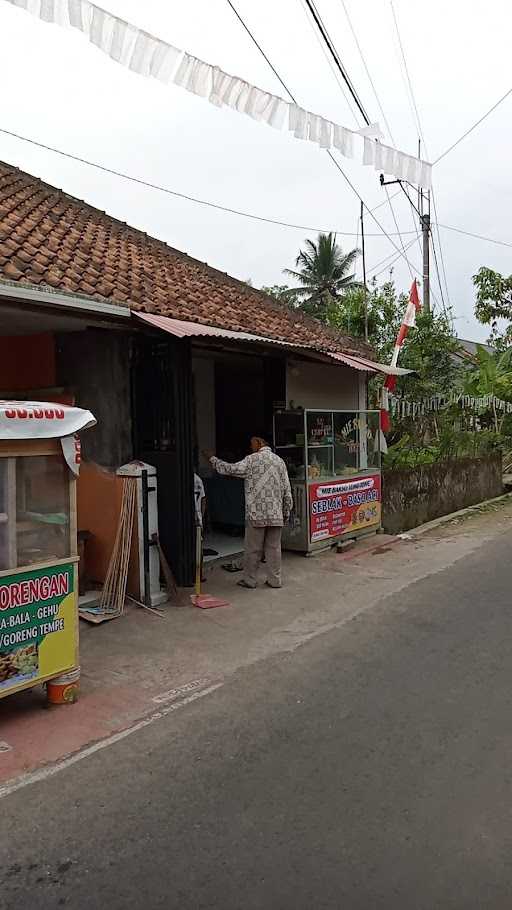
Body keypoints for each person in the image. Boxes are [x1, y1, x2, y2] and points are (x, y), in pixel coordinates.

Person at [205, 436, 293, 589]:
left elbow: (229, 469)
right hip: (275, 514)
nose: (250, 447)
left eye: (252, 444)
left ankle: (250, 580)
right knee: (274, 549)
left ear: (260, 443)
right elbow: (287, 489)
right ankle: (275, 580)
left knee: (253, 549)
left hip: (256, 514)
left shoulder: (251, 460)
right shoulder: (279, 461)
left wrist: (212, 458)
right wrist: (286, 511)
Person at [194, 470, 206, 583]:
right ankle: (199, 575)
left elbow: (203, 499)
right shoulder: (198, 479)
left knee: (198, 547)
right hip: (198, 516)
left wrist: (200, 516)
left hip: (196, 517)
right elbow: (203, 499)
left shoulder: (196, 480)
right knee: (198, 546)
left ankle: (199, 574)